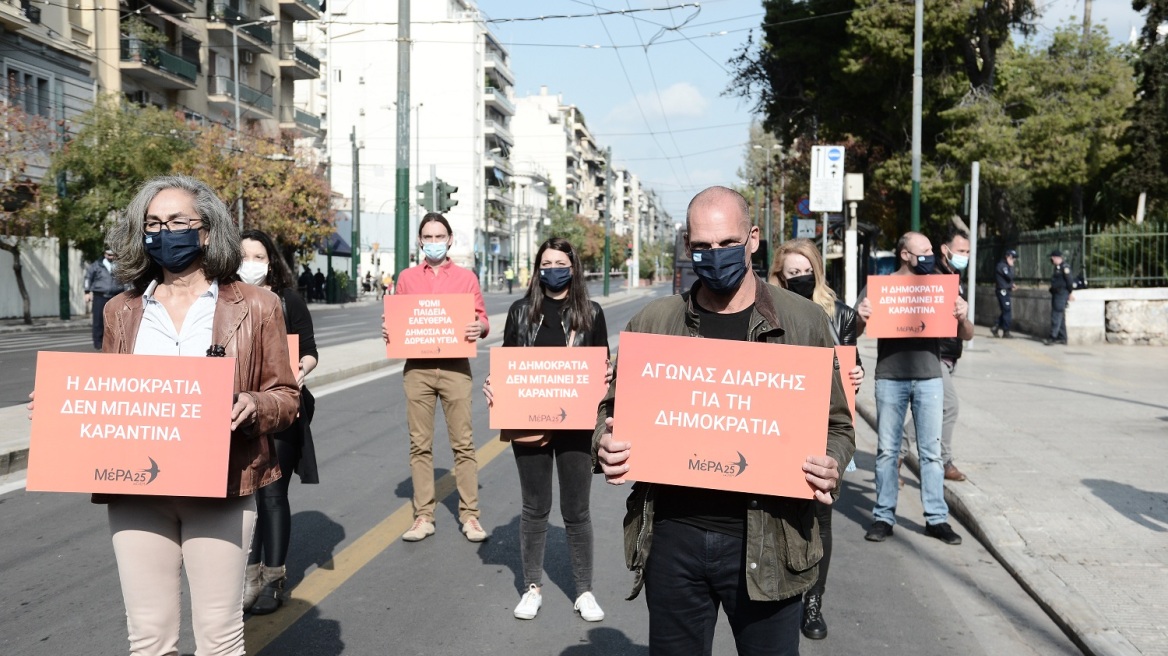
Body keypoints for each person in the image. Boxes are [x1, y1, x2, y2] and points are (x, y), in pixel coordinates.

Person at [29, 175, 300, 656]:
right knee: (149, 639)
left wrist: (253, 405)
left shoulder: (258, 306)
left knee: (220, 638)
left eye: (177, 222)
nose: (163, 232)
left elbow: (286, 395)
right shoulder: (121, 310)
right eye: (153, 223)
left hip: (220, 486)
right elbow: (111, 392)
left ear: (207, 232)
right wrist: (58, 406)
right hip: (136, 491)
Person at [595, 186, 855, 656]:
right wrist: (604, 443)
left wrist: (832, 462)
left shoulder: (803, 321)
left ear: (753, 239)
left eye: (727, 243)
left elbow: (838, 424)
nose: (714, 257)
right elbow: (610, 410)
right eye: (701, 247)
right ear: (688, 245)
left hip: (770, 543)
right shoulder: (653, 323)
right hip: (673, 539)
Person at [482, 237, 611, 622]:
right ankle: (532, 587)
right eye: (546, 262)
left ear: (572, 268)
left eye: (560, 262)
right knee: (535, 507)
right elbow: (505, 364)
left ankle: (584, 590)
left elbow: (603, 364)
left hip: (576, 424)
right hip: (529, 420)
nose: (552, 268)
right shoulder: (521, 312)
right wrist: (494, 384)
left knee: (577, 510)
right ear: (538, 269)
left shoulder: (592, 312)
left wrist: (608, 373)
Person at [768, 237, 864, 642]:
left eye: (807, 272)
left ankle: (813, 602)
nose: (801, 279)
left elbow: (852, 366)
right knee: (779, 514)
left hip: (822, 427)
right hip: (777, 428)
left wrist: (857, 375)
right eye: (793, 274)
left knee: (821, 516)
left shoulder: (839, 315)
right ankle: (779, 595)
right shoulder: (765, 310)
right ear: (779, 277)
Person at [855, 231, 973, 547]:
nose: (930, 255)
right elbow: (852, 329)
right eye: (923, 251)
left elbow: (968, 334)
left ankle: (936, 520)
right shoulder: (882, 287)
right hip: (890, 377)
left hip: (930, 377)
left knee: (932, 454)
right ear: (905, 254)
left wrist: (963, 317)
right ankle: (883, 516)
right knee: (887, 451)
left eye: (931, 250)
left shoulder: (940, 286)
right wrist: (860, 317)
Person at [382, 213, 490, 543]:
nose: (433, 243)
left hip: (456, 367)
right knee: (420, 445)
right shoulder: (407, 278)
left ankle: (470, 516)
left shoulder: (467, 278)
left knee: (464, 444)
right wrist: (388, 330)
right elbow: (397, 319)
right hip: (418, 370)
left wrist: (479, 327)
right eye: (427, 237)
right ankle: (423, 516)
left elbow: (483, 319)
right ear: (419, 241)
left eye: (438, 236)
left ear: (450, 239)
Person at [238, 229, 320, 615]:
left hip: (282, 409)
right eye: (243, 256)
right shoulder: (222, 301)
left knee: (272, 494)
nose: (250, 264)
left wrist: (300, 369)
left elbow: (309, 351)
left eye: (258, 257)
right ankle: (249, 578)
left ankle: (273, 579)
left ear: (271, 261)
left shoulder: (288, 301)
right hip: (239, 413)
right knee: (245, 495)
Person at [900, 229, 971, 482]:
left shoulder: (954, 275)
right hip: (935, 353)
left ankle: (897, 453)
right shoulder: (934, 278)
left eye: (968, 252)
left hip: (950, 354)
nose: (965, 256)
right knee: (948, 406)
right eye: (961, 251)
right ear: (946, 249)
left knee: (932, 409)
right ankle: (944, 460)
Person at [83, 246, 124, 350]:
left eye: (113, 255)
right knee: (98, 320)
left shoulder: (119, 266)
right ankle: (98, 343)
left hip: (116, 295)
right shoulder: (96, 265)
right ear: (105, 254)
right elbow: (88, 278)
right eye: (109, 255)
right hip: (100, 295)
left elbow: (126, 279)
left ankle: (114, 343)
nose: (111, 257)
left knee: (116, 320)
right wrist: (87, 292)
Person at [1044, 249, 1075, 345]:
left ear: (1055, 258)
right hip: (1056, 293)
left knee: (1056, 315)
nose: (1051, 260)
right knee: (1060, 316)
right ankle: (1062, 337)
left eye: (1052, 258)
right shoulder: (1057, 267)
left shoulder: (1064, 267)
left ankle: (1053, 337)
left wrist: (1070, 293)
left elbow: (1069, 282)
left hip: (1061, 294)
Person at [992, 249, 1017, 338]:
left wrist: (1011, 285)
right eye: (1012, 257)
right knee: (1007, 311)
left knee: (1005, 310)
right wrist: (1011, 267)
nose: (1014, 260)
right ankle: (1005, 330)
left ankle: (996, 326)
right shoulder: (1002, 266)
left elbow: (1007, 279)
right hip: (1002, 291)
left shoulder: (1005, 266)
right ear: (1008, 257)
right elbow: (1009, 276)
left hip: (1005, 290)